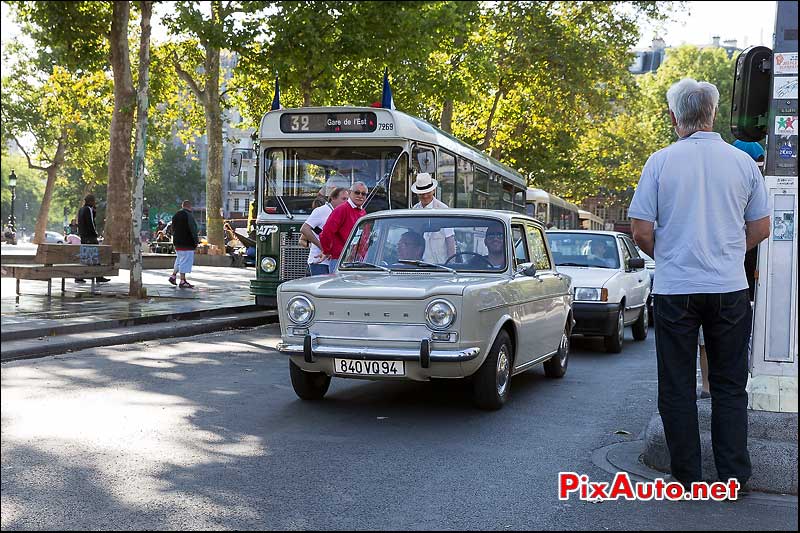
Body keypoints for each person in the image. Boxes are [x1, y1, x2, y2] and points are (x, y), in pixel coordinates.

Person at [629, 78, 771, 490]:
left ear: (674, 118)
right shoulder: (742, 163)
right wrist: (727, 251)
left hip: (676, 288)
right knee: (729, 385)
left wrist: (673, 256)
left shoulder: (660, 161)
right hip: (729, 288)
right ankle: (733, 477)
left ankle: (687, 476)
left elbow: (640, 231)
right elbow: (761, 227)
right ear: (712, 114)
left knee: (676, 385)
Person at [320, 181, 368, 272]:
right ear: (350, 193)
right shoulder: (341, 210)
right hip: (340, 261)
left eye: (364, 194)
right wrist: (327, 251)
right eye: (357, 192)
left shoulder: (363, 212)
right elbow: (327, 232)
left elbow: (365, 237)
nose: (360, 196)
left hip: (358, 261)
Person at [302, 187, 349, 275]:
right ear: (333, 198)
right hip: (319, 262)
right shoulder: (321, 211)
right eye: (343, 199)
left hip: (336, 261)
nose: (346, 202)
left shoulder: (343, 212)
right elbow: (304, 229)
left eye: (347, 199)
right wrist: (323, 248)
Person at [411, 173, 456, 263]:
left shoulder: (444, 210)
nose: (425, 196)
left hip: (439, 266)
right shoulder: (413, 210)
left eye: (427, 192)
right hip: (417, 265)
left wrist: (452, 265)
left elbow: (450, 241)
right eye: (421, 193)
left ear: (433, 191)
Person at [75, 194, 110, 284]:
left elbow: (89, 219)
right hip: (90, 236)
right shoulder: (87, 209)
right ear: (90, 202)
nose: (95, 203)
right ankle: (98, 276)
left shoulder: (81, 210)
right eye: (94, 201)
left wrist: (94, 211)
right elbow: (91, 222)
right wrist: (95, 233)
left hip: (83, 236)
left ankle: (80, 276)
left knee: (86, 256)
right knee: (95, 256)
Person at [169, 200, 199, 289]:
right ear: (190, 206)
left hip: (177, 242)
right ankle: (182, 280)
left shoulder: (176, 215)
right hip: (187, 243)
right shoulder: (188, 215)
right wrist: (196, 242)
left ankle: (173, 276)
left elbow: (172, 228)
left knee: (179, 260)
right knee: (185, 261)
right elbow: (193, 229)